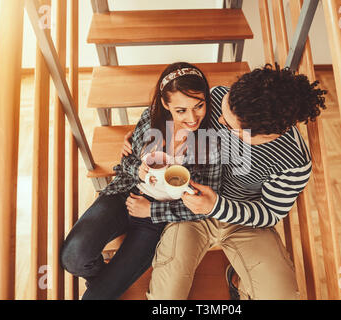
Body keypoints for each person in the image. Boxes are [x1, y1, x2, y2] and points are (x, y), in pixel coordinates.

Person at [123, 64, 327, 300]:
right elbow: (175, 113)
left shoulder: (294, 162)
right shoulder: (221, 97)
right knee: (165, 299)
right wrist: (138, 135)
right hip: (190, 211)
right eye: (223, 108)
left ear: (264, 136)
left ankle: (238, 278)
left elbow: (270, 213)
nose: (219, 119)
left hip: (245, 221)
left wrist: (216, 206)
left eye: (230, 125)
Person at [60, 62, 221, 299]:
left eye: (199, 106)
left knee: (93, 298)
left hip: (158, 220)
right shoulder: (151, 119)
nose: (192, 118)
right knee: (73, 258)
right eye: (181, 110)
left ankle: (107, 284)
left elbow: (204, 207)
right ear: (165, 104)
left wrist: (152, 210)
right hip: (125, 192)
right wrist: (139, 171)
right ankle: (106, 279)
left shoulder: (211, 144)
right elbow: (124, 163)